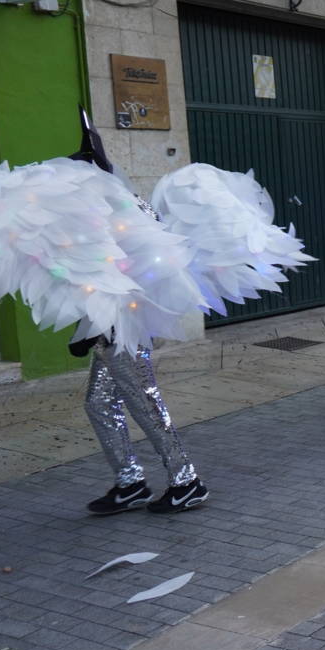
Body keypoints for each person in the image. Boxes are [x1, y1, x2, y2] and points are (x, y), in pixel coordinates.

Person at [67, 109, 208, 515]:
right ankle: (130, 482)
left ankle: (186, 480)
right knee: (99, 403)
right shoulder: (116, 206)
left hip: (123, 328)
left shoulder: (118, 210)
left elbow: (127, 269)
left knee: (145, 403)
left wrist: (95, 327)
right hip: (110, 329)